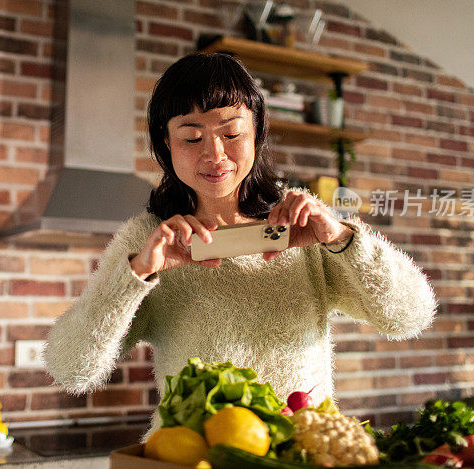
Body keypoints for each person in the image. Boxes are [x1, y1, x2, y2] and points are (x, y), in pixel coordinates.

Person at [44, 52, 436, 434]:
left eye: (232, 133)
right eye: (192, 138)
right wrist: (134, 275)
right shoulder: (148, 239)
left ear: (257, 133)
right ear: (166, 144)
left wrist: (341, 239)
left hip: (299, 457)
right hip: (194, 459)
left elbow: (409, 317)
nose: (215, 154)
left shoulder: (306, 223)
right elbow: (72, 368)